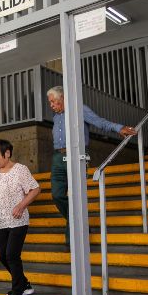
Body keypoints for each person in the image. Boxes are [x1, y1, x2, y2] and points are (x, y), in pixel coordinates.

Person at [46, 86, 137, 249]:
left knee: (74, 198)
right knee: (57, 195)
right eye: (50, 102)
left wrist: (119, 128)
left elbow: (99, 122)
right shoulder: (56, 116)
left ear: (62, 98)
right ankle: (80, 225)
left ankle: (72, 241)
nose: (51, 105)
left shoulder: (79, 109)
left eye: (53, 101)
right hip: (58, 157)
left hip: (76, 154)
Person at [0, 139, 41, 295]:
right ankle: (23, 283)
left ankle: (18, 294)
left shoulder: (20, 170)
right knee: (3, 256)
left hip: (18, 220)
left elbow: (36, 189)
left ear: (7, 153)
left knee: (11, 255)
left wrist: (21, 205)